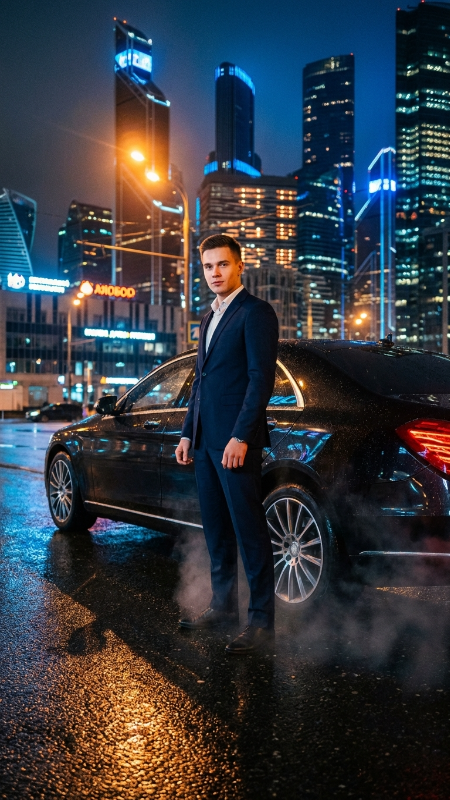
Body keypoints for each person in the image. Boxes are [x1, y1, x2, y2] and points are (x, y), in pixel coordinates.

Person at [175, 234, 278, 654]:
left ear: (239, 266)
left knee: (249, 532)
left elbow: (260, 380)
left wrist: (241, 435)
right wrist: (187, 432)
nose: (214, 273)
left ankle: (261, 624)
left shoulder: (255, 313)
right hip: (204, 443)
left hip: (235, 443)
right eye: (208, 266)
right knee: (216, 531)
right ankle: (222, 608)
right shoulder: (207, 318)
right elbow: (201, 382)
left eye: (222, 265)